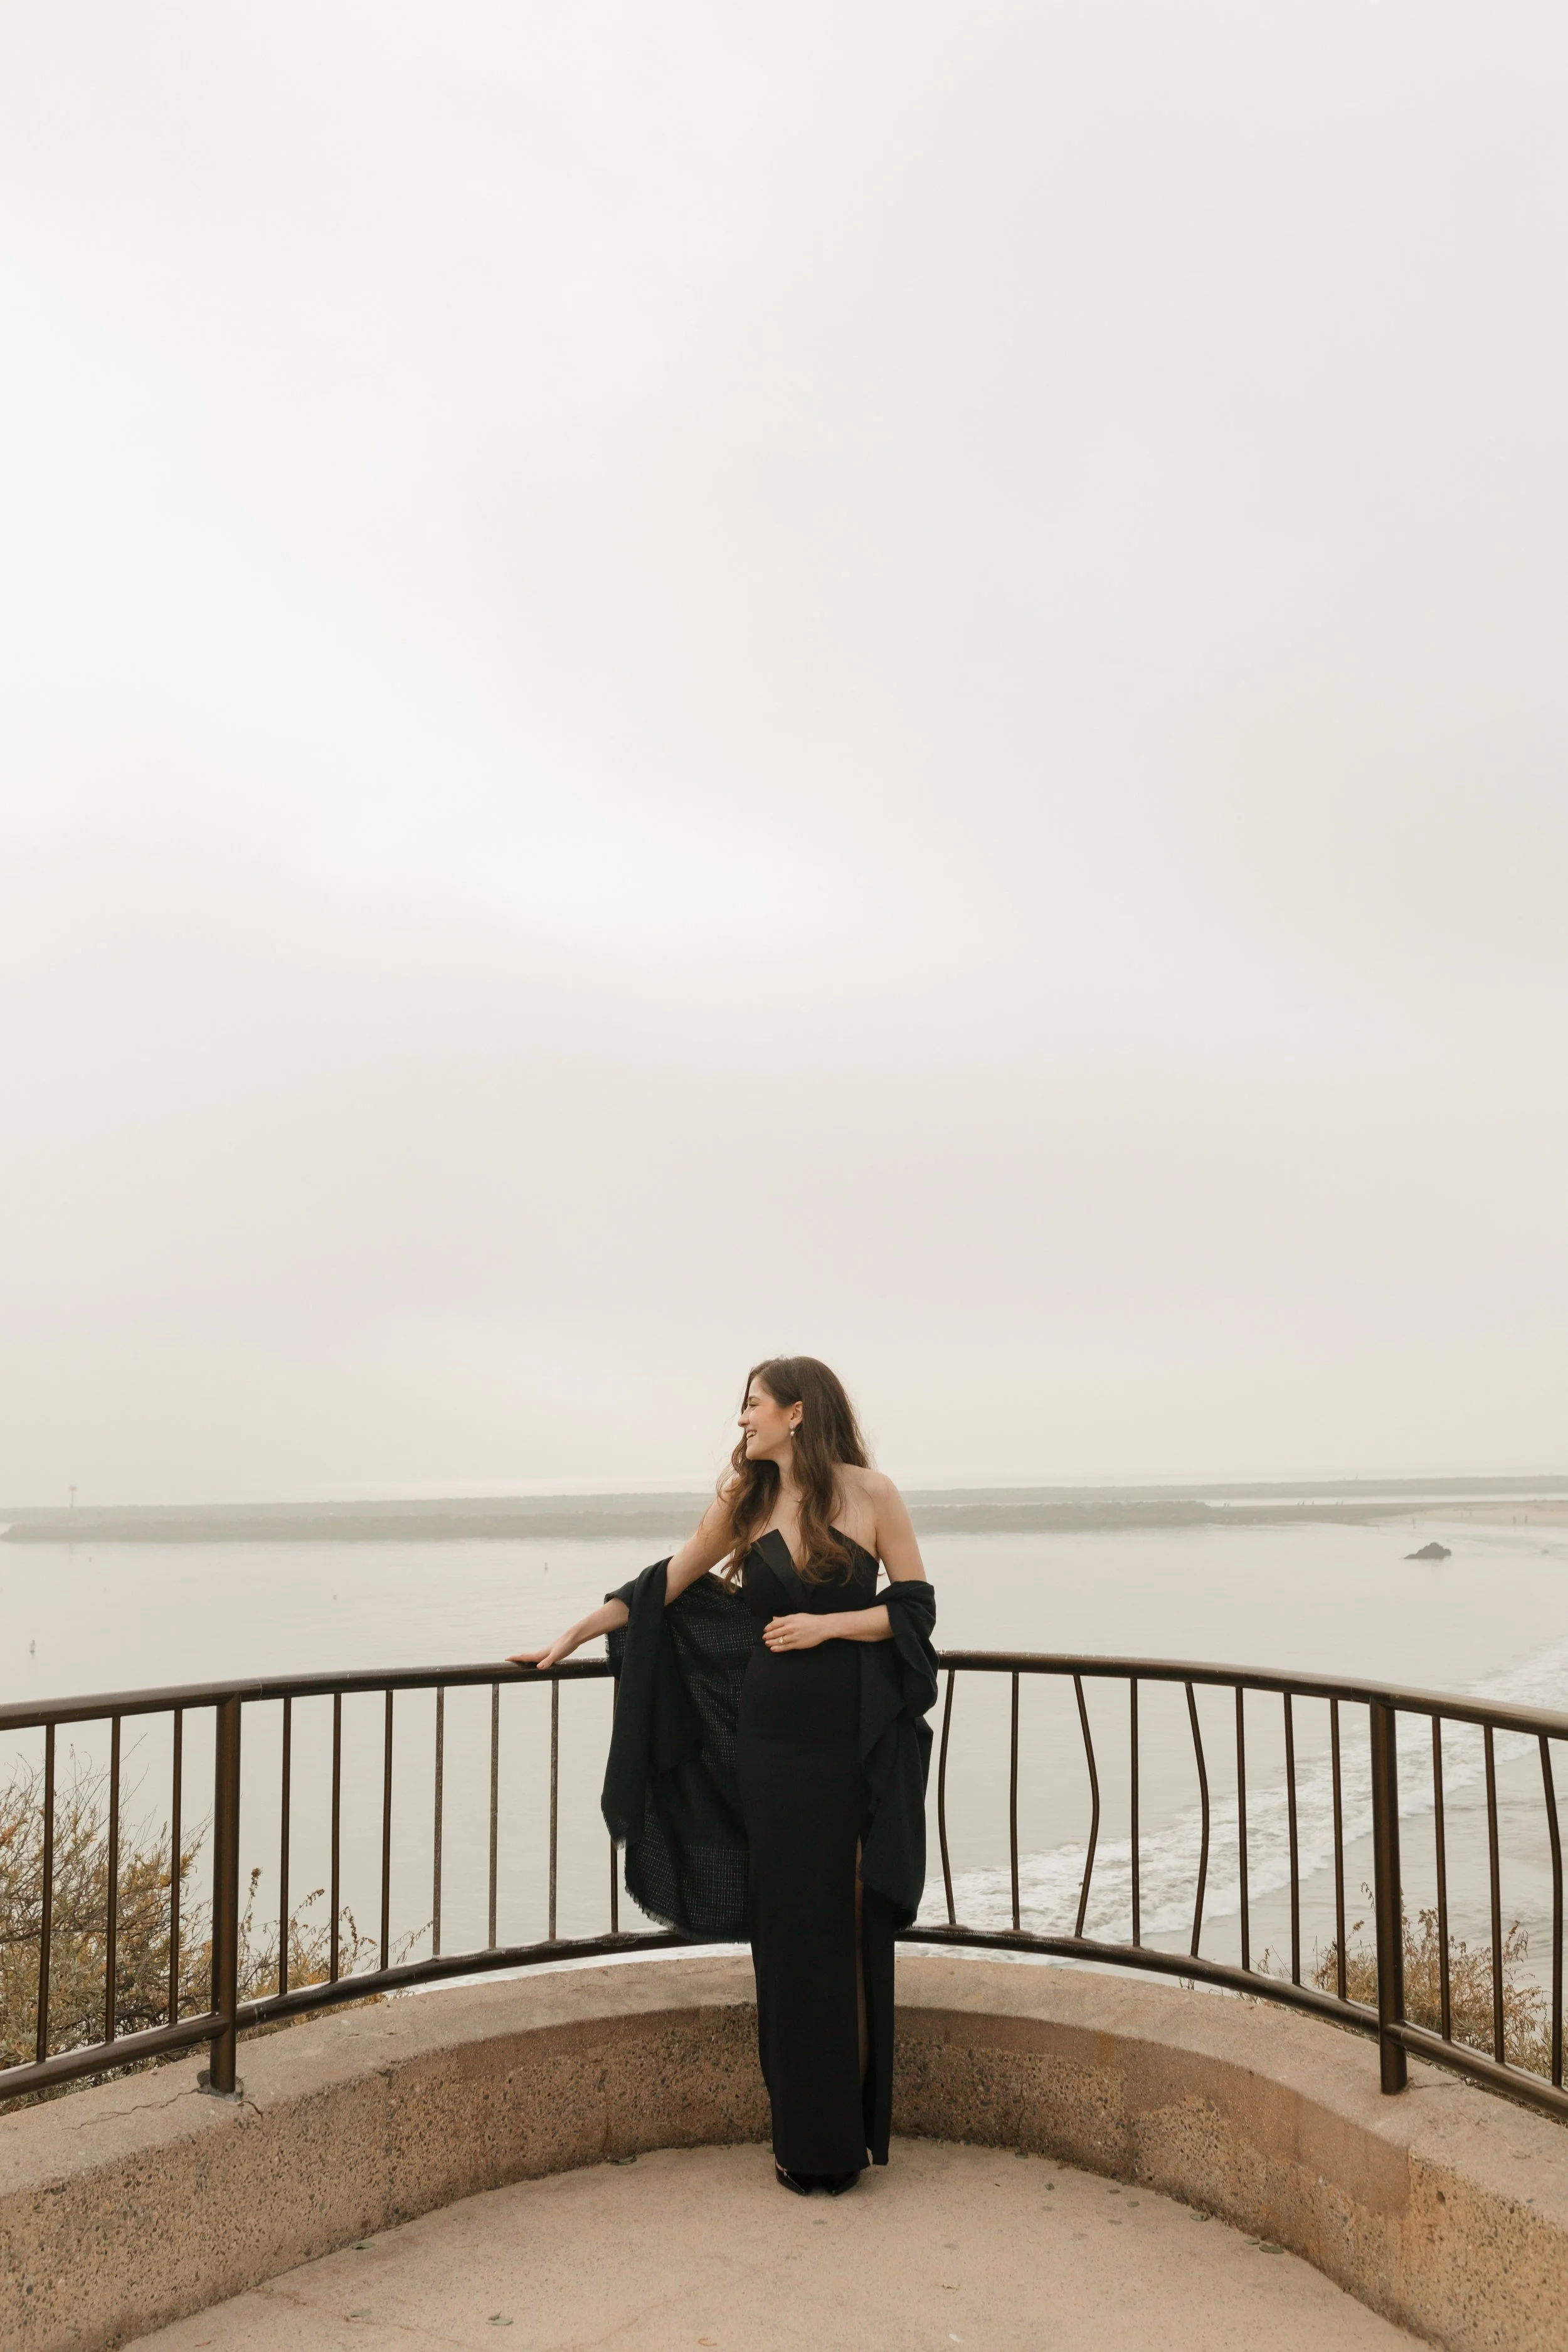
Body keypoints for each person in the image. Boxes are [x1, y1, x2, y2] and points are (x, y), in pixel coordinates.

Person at [509, 1355, 938, 2195]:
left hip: (849, 1741)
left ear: (797, 1411)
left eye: (753, 1405)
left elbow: (915, 1611)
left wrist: (827, 1627)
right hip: (770, 1745)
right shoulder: (743, 1502)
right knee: (786, 1932)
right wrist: (572, 1633)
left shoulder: (872, 1494)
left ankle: (845, 2140)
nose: (741, 1420)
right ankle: (801, 2142)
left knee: (847, 1926)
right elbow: (661, 1588)